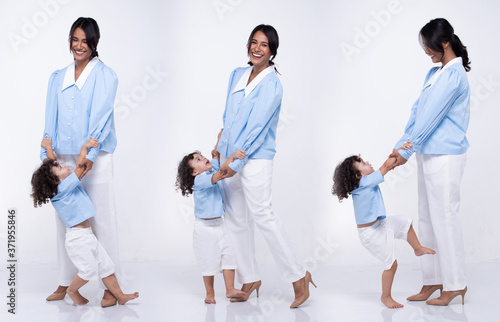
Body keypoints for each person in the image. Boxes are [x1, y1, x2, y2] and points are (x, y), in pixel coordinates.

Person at [215, 24, 314, 308]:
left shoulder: (272, 84)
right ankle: (250, 278)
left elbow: (257, 129)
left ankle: (298, 277)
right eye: (254, 42)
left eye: (264, 45)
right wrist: (221, 147)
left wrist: (237, 160)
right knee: (235, 220)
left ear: (272, 51)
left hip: (255, 159)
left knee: (263, 216)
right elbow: (228, 116)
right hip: (228, 157)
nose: (257, 49)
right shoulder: (236, 74)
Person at [389, 18, 471, 306]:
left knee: (446, 219)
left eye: (428, 46)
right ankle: (433, 280)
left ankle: (455, 284)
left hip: (447, 155)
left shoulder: (454, 75)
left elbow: (432, 117)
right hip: (428, 153)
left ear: (444, 43)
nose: (426, 51)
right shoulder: (434, 74)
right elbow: (417, 113)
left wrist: (406, 152)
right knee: (427, 217)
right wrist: (400, 145)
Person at [40, 17, 120, 306]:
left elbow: (102, 116)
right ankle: (66, 280)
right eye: (75, 39)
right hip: (61, 157)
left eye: (85, 41)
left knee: (100, 220)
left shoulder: (105, 75)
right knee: (66, 222)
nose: (79, 46)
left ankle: (111, 285)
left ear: (94, 43)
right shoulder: (57, 76)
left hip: (93, 157)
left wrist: (90, 155)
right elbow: (51, 116)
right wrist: (46, 154)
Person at [31, 137, 138, 307]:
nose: (64, 165)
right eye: (60, 168)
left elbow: (54, 163)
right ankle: (72, 290)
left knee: (107, 267)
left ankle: (120, 295)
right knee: (88, 271)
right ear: (56, 180)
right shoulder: (63, 189)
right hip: (78, 239)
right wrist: (85, 147)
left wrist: (49, 147)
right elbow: (80, 167)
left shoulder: (62, 186)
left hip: (87, 236)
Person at [332, 149, 436, 309]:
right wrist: (400, 150)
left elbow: (386, 167)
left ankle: (417, 248)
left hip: (378, 225)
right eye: (363, 163)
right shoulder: (364, 183)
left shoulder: (363, 183)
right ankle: (385, 296)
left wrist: (394, 158)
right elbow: (386, 167)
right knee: (391, 264)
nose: (368, 163)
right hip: (370, 234)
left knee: (403, 222)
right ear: (358, 175)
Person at [175, 146, 246, 304]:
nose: (203, 158)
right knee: (208, 261)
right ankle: (210, 293)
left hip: (220, 224)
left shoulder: (208, 171)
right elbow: (221, 173)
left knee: (229, 256)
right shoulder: (200, 180)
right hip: (204, 228)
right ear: (194, 172)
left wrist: (217, 147)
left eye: (201, 155)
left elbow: (215, 160)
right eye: (197, 159)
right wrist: (233, 157)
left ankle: (230, 289)